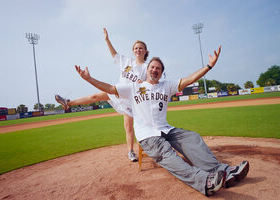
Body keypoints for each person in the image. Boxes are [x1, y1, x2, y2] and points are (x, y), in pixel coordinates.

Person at [74, 45, 250, 196]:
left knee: (192, 138)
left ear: (161, 72)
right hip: (147, 136)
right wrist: (89, 79)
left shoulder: (167, 86)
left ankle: (223, 171)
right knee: (168, 155)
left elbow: (190, 79)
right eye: (152, 67)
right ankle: (205, 182)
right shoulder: (134, 87)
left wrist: (209, 66)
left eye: (158, 68)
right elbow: (110, 89)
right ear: (147, 69)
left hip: (166, 129)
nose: (154, 70)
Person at [55, 28, 149, 162]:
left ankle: (130, 151)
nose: (138, 50)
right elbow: (114, 54)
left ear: (145, 51)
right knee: (94, 97)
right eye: (136, 48)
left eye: (141, 48)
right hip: (116, 92)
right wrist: (106, 40)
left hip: (132, 100)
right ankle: (68, 103)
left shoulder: (146, 67)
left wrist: (143, 82)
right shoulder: (126, 62)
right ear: (133, 51)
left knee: (129, 127)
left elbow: (151, 84)